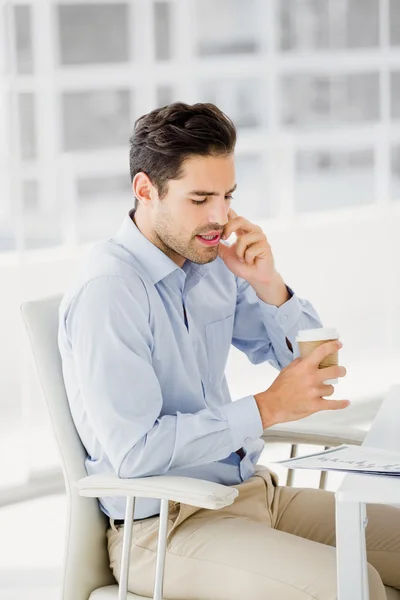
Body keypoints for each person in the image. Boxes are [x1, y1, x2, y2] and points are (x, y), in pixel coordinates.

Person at [58, 102, 400, 600]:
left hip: (252, 495)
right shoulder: (110, 291)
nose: (219, 217)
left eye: (227, 196)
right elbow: (134, 454)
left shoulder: (213, 262)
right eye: (200, 199)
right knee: (354, 584)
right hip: (167, 527)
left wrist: (269, 284)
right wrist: (266, 409)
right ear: (145, 190)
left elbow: (317, 370)